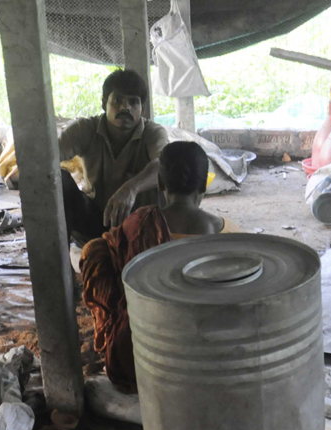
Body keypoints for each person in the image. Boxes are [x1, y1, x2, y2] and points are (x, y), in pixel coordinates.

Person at [79, 141, 241, 389]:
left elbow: (97, 254)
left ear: (161, 184)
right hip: (215, 358)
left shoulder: (139, 225)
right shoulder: (232, 233)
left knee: (97, 251)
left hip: (146, 359)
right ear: (205, 184)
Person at [59, 69, 169, 244]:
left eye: (133, 102)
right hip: (96, 221)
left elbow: (165, 166)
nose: (125, 108)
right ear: (104, 104)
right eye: (117, 100)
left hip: (140, 225)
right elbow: (47, 157)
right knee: (58, 179)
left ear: (143, 108)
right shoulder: (85, 129)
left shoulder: (153, 133)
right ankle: (61, 265)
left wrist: (131, 188)